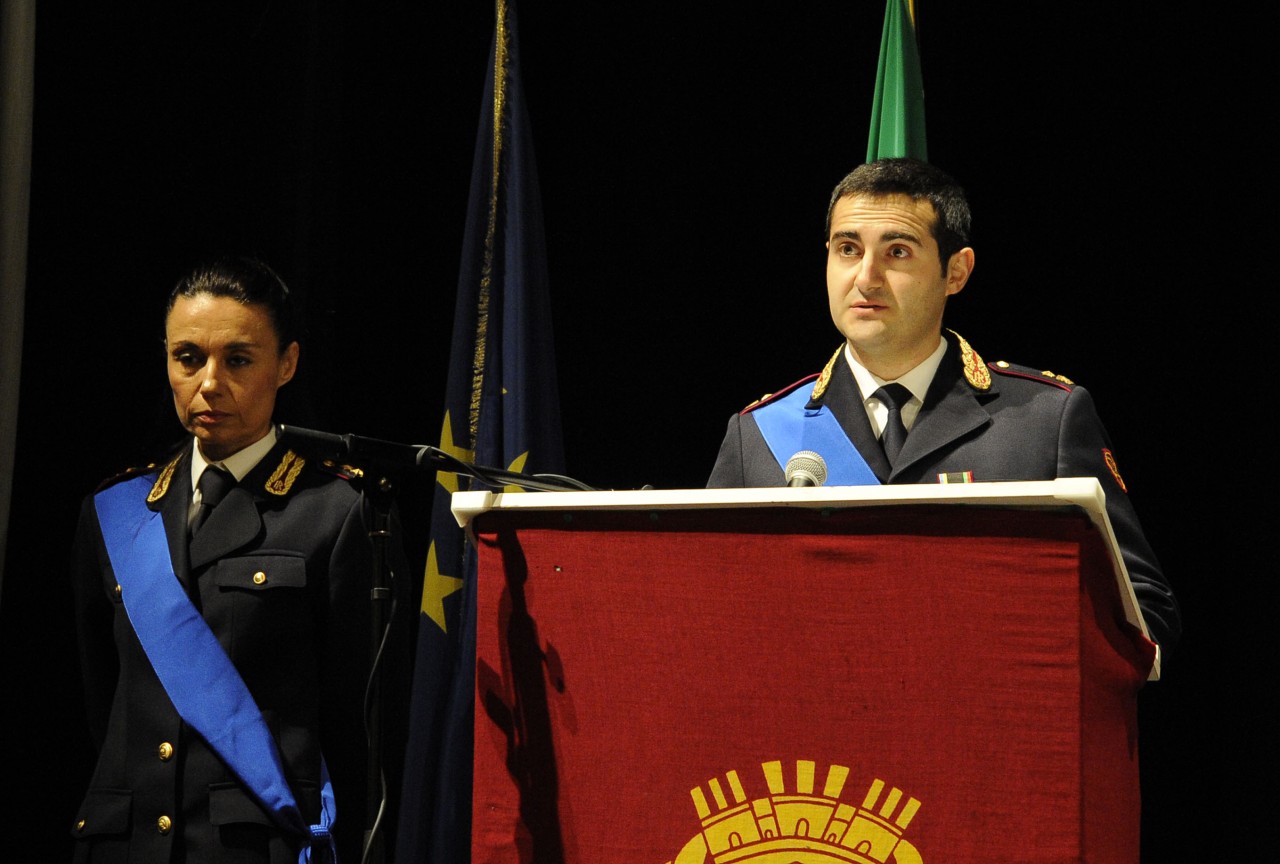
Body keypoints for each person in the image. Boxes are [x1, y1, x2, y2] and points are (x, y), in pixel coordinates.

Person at [707, 157, 1179, 657]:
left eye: (898, 252)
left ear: (956, 272)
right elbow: (708, 611)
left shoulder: (1046, 420)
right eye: (848, 249)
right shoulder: (757, 434)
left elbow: (1144, 611)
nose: (866, 277)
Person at [69, 256, 403, 863]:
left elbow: (358, 723)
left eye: (239, 359)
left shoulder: (336, 511)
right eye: (188, 357)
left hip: (256, 844)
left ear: (287, 365)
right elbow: (99, 699)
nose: (209, 382)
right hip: (126, 842)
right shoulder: (114, 511)